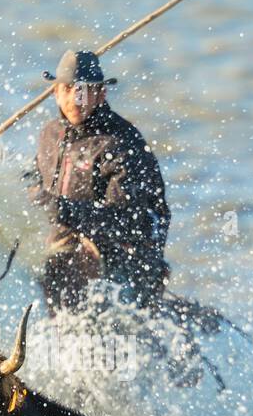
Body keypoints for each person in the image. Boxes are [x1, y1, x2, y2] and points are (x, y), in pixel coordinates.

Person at [27, 50, 171, 312]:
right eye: (69, 88)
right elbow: (32, 181)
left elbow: (128, 222)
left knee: (72, 271)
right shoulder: (50, 134)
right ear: (55, 92)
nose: (76, 98)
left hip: (124, 258)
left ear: (101, 94)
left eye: (85, 90)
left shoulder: (122, 143)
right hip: (62, 248)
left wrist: (64, 210)